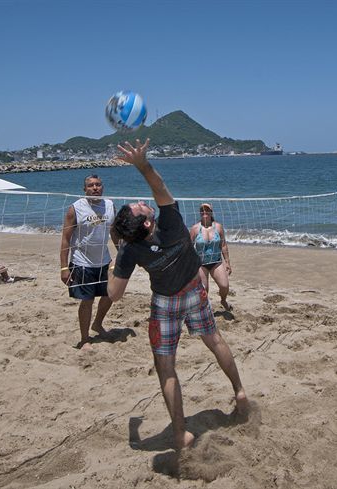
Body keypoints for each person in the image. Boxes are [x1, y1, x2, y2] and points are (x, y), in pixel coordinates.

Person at [109, 139, 248, 450]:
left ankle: (179, 433)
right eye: (139, 206)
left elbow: (114, 295)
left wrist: (117, 256)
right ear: (147, 221)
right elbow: (159, 186)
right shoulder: (171, 222)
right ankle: (239, 391)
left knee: (166, 366)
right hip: (194, 289)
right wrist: (142, 164)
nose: (142, 201)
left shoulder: (130, 248)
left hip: (166, 301)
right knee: (214, 340)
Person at [60, 174, 119, 349]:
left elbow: (114, 231)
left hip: (105, 260)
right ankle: (85, 339)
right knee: (87, 301)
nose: (95, 188)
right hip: (82, 262)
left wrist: (122, 251)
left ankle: (98, 323)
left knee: (111, 294)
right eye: (91, 185)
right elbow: (65, 238)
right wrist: (64, 267)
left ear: (103, 187)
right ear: (84, 189)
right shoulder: (75, 209)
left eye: (98, 185)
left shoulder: (109, 205)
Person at [189, 203, 232, 310]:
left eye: (207, 210)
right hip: (201, 264)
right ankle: (204, 308)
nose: (204, 212)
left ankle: (223, 300)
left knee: (224, 286)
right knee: (204, 290)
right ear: (199, 213)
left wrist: (227, 262)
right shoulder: (195, 228)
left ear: (211, 212)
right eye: (202, 210)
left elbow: (223, 245)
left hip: (216, 261)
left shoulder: (218, 227)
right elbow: (189, 247)